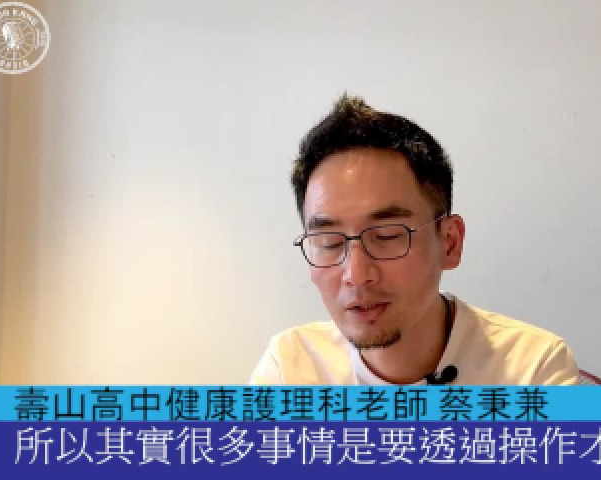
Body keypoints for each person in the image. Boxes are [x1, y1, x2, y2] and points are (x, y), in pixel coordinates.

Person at [249, 94, 581, 385]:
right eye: (329, 242)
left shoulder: (532, 369)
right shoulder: (291, 368)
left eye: (387, 236)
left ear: (449, 243)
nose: (356, 274)